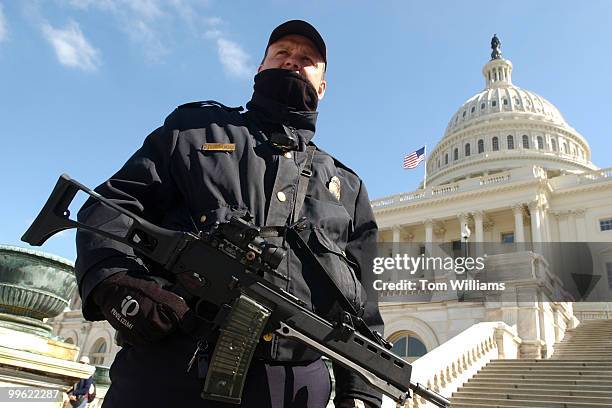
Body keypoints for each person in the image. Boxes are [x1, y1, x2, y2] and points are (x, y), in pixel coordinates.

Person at [75, 20, 383, 408]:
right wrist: (115, 283)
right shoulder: (195, 130)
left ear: (322, 87)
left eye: (307, 60)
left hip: (293, 389)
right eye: (282, 53)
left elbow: (363, 303)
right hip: (172, 366)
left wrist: (361, 391)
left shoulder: (348, 187)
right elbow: (112, 205)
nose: (293, 63)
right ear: (259, 68)